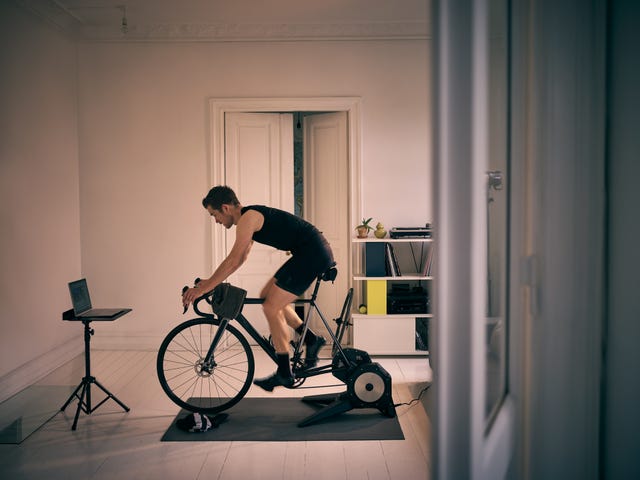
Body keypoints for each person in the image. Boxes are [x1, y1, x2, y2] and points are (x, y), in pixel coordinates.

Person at [182, 185, 335, 391]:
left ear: (225, 208)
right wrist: (210, 281)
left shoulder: (248, 219)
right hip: (308, 251)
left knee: (271, 307)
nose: (216, 221)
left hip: (312, 253)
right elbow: (240, 259)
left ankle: (284, 373)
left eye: (214, 215)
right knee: (267, 297)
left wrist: (204, 288)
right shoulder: (248, 218)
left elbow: (233, 260)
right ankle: (311, 339)